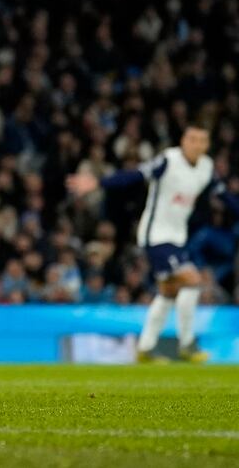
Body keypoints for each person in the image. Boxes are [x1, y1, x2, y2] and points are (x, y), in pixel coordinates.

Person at [66, 111, 239, 362]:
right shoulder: (168, 161)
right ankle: (188, 344)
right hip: (156, 236)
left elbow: (225, 198)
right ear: (183, 140)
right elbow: (135, 175)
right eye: (192, 139)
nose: (196, 145)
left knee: (168, 293)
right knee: (191, 279)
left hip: (178, 238)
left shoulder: (206, 168)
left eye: (202, 140)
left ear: (207, 144)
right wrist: (99, 183)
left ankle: (145, 348)